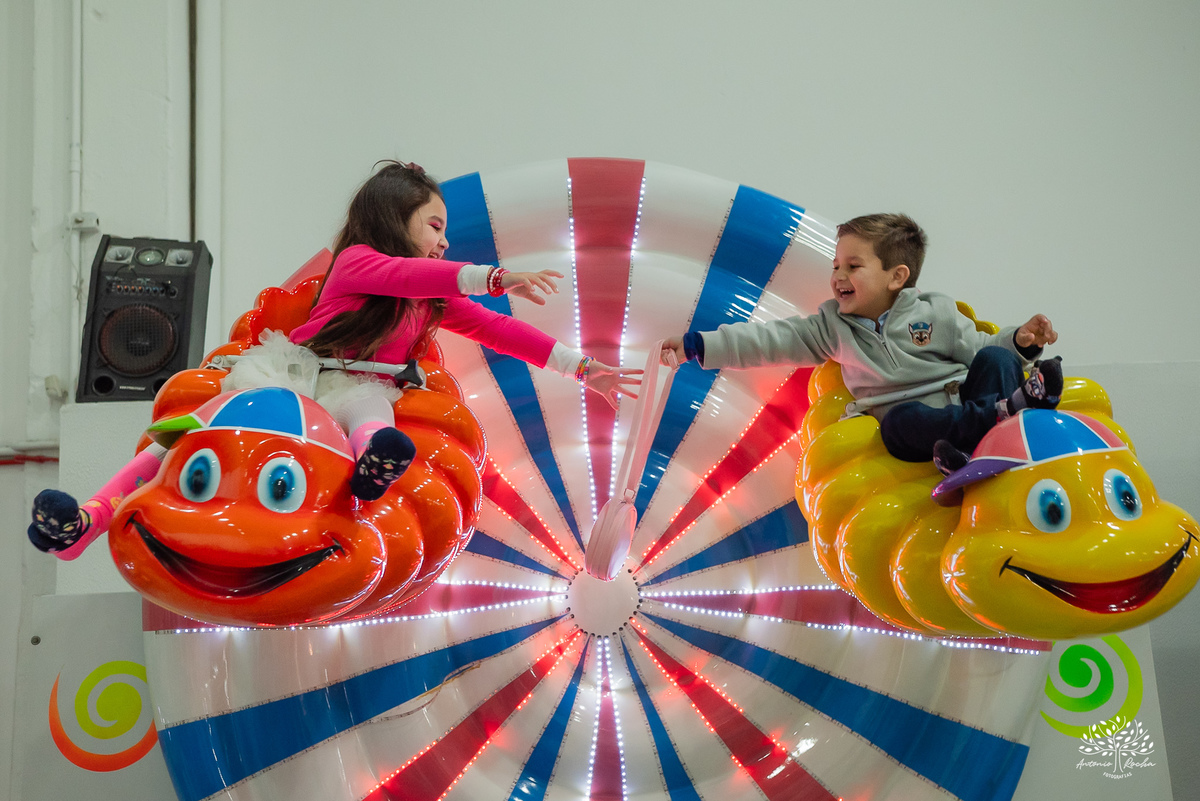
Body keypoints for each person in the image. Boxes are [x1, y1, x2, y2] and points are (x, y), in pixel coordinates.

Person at [28, 160, 641, 559]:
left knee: (373, 418)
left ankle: (372, 470)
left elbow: (497, 331)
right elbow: (416, 272)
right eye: (433, 224)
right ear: (393, 219)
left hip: (359, 387)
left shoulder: (429, 299)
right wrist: (497, 274)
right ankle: (90, 518)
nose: (444, 239)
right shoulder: (358, 264)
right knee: (189, 435)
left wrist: (583, 368)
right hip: (296, 375)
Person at [661, 213, 1061, 476]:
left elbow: (982, 348)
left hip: (969, 404)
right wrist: (698, 345)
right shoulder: (832, 326)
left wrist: (1021, 343)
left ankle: (1004, 422)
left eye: (853, 266)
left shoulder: (936, 312)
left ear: (896, 276)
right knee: (902, 422)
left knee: (994, 357)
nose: (838, 276)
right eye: (835, 266)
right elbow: (771, 340)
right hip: (924, 432)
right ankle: (989, 433)